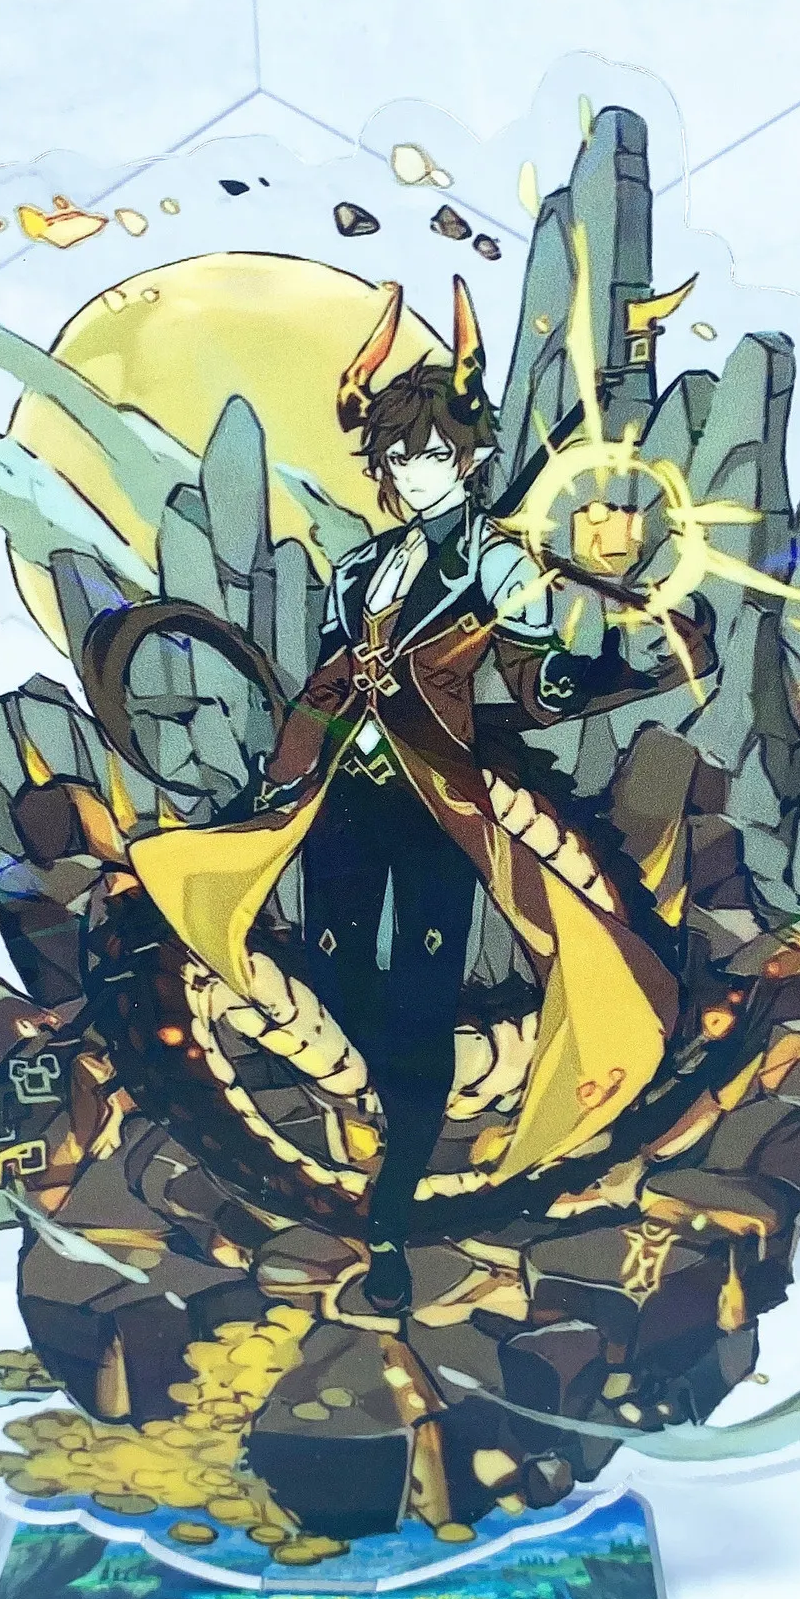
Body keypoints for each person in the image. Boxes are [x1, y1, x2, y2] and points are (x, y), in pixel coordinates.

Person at [130, 279, 706, 1313]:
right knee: (345, 985)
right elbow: (328, 682)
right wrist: (292, 766)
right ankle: (383, 1168)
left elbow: (534, 683)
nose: (414, 471)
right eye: (399, 456)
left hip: (436, 806)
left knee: (421, 1004)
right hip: (343, 804)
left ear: (470, 458)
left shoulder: (502, 565)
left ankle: (390, 1226)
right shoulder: (361, 568)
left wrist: (630, 669)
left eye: (433, 453)